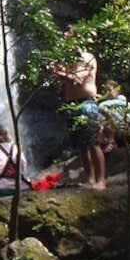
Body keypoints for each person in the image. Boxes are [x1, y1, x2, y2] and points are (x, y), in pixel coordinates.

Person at [51, 25, 106, 189]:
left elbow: (78, 79)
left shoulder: (86, 57)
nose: (64, 37)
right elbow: (62, 85)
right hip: (71, 103)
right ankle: (90, 179)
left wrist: (58, 73)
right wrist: (58, 76)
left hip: (86, 103)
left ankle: (101, 180)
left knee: (93, 142)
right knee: (82, 144)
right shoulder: (68, 60)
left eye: (67, 35)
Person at [97, 79, 130, 154]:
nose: (108, 93)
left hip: (125, 129)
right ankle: (103, 143)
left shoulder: (106, 104)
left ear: (117, 90)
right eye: (106, 91)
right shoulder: (123, 102)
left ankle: (109, 141)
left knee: (103, 115)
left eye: (109, 90)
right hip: (119, 130)